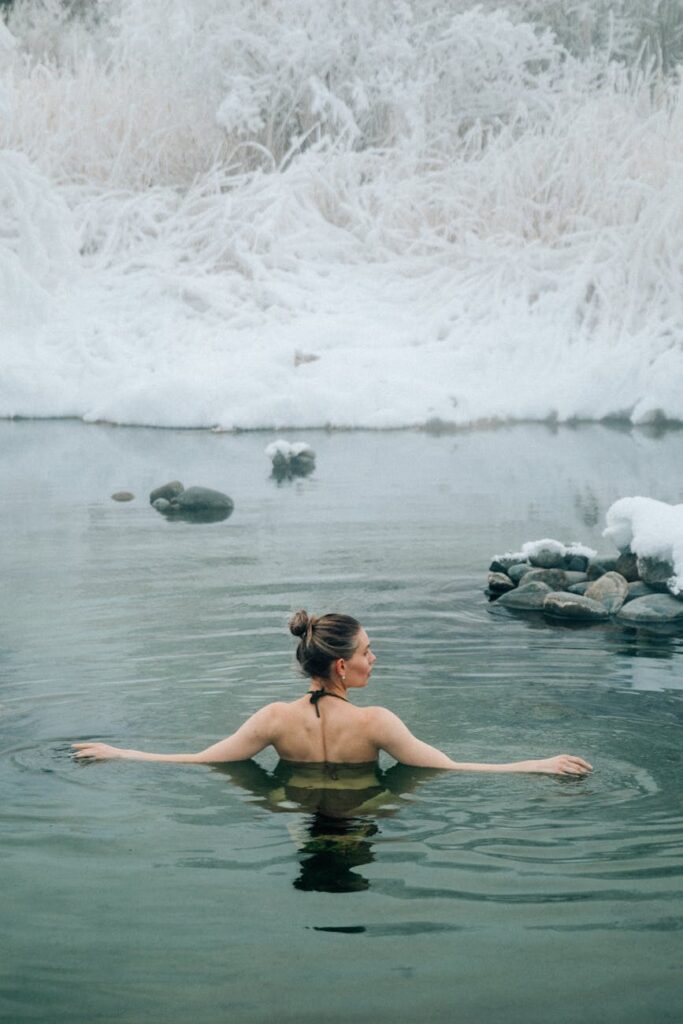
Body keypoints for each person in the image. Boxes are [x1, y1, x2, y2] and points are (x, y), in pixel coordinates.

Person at [72, 610, 593, 776]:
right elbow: (450, 768)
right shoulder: (377, 724)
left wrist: (122, 753)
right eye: (369, 651)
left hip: (295, 810)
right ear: (342, 666)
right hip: (362, 813)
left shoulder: (275, 718)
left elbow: (202, 760)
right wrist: (538, 764)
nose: (375, 658)